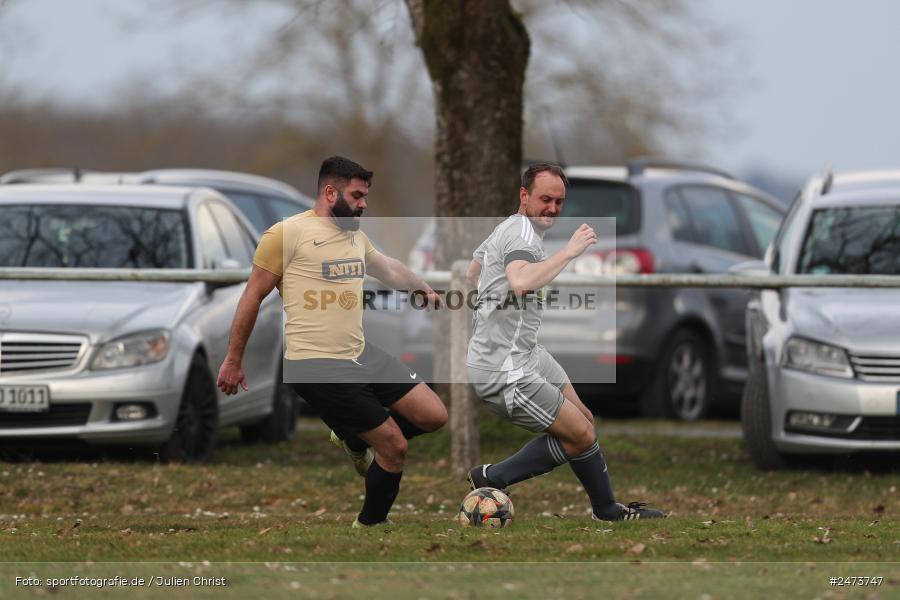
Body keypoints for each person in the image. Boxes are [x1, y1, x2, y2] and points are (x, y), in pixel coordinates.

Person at [216, 156, 447, 528]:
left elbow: (389, 268)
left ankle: (354, 439)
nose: (363, 204)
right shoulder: (285, 235)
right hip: (315, 364)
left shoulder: (354, 234)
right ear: (329, 192)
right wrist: (233, 359)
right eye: (356, 195)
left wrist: (423, 289)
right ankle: (371, 526)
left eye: (365, 196)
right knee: (393, 446)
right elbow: (251, 297)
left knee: (434, 415)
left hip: (359, 353)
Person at [465, 163, 665, 521]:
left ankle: (602, 506)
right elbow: (522, 282)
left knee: (585, 421)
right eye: (545, 199)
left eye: (559, 202)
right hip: (504, 367)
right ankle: (498, 478)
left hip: (525, 353)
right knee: (580, 436)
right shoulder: (521, 235)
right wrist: (570, 252)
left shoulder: (512, 227)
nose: (553, 209)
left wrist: (490, 305)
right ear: (523, 196)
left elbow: (473, 269)